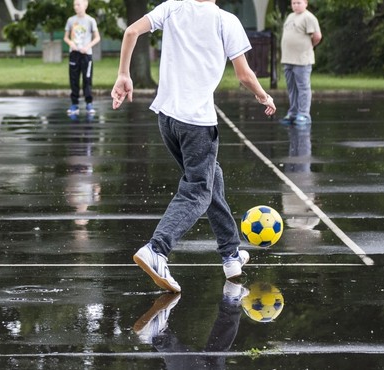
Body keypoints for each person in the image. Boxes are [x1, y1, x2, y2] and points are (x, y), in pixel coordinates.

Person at [112, 0, 276, 292]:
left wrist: (124, 74)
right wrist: (264, 96)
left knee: (212, 178)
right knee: (199, 190)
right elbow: (244, 75)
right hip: (197, 123)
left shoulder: (172, 7)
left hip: (167, 119)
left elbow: (130, 32)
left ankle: (230, 255)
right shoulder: (227, 21)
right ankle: (157, 249)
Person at [279, 0, 321, 125]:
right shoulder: (290, 17)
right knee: (292, 88)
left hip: (302, 60)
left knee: (303, 88)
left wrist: (309, 46)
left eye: (299, 3)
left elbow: (317, 36)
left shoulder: (309, 17)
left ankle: (304, 114)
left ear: (306, 3)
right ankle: (293, 113)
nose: (296, 5)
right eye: (293, 3)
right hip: (288, 59)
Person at [64, 0, 100, 115]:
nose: (76, 7)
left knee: (87, 79)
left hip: (86, 55)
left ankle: (89, 104)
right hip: (74, 54)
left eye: (78, 4)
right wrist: (71, 44)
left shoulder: (90, 20)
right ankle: (74, 104)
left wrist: (87, 46)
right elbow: (66, 37)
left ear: (85, 5)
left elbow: (97, 37)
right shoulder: (71, 20)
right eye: (75, 5)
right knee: (74, 79)